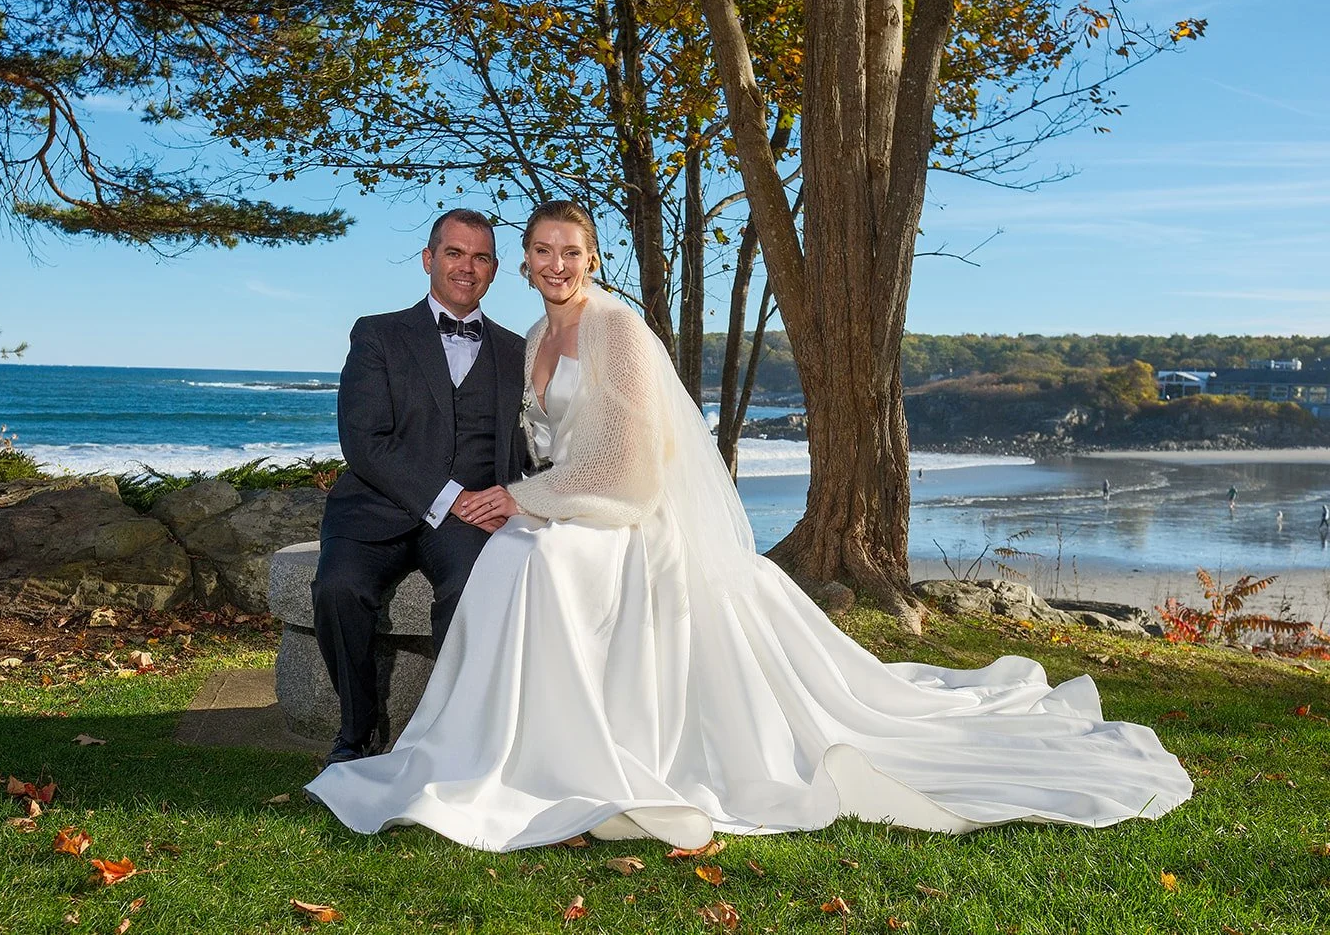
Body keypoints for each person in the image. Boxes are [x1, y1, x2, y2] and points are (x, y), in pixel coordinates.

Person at [307, 200, 1192, 851]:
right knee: (513, 559)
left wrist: (523, 501)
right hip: (556, 504)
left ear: (591, 257)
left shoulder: (616, 329)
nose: (554, 263)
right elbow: (515, 448)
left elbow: (629, 469)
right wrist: (521, 500)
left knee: (532, 563)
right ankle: (492, 747)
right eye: (541, 250)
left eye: (567, 251)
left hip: (623, 514)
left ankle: (560, 757)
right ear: (513, 262)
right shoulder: (532, 339)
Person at [311, 209, 528, 765]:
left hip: (468, 519)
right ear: (429, 259)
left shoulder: (516, 351)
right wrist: (449, 496)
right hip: (375, 507)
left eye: (480, 257)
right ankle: (357, 731)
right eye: (454, 253)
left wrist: (523, 500)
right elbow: (364, 440)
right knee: (338, 589)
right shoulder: (377, 334)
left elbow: (527, 447)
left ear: (494, 269)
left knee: (473, 590)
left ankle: (457, 734)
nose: (466, 267)